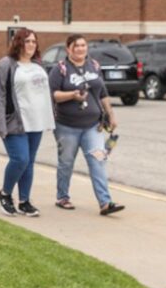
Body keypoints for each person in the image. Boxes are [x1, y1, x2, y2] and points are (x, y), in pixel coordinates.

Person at [48, 34, 125, 216]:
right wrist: (72, 95)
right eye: (77, 46)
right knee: (66, 163)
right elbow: (53, 94)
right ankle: (62, 197)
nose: (81, 49)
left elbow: (102, 93)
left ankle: (105, 203)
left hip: (92, 125)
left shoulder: (94, 66)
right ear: (69, 49)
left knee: (97, 161)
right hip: (66, 126)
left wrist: (111, 115)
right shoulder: (60, 69)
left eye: (83, 45)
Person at [0, 28, 55, 216]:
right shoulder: (6, 65)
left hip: (37, 121)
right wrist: (1, 124)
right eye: (27, 41)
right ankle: (5, 194)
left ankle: (24, 201)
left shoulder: (38, 65)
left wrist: (51, 118)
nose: (31, 45)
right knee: (20, 159)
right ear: (18, 42)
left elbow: (44, 93)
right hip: (16, 122)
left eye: (34, 42)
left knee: (29, 163)